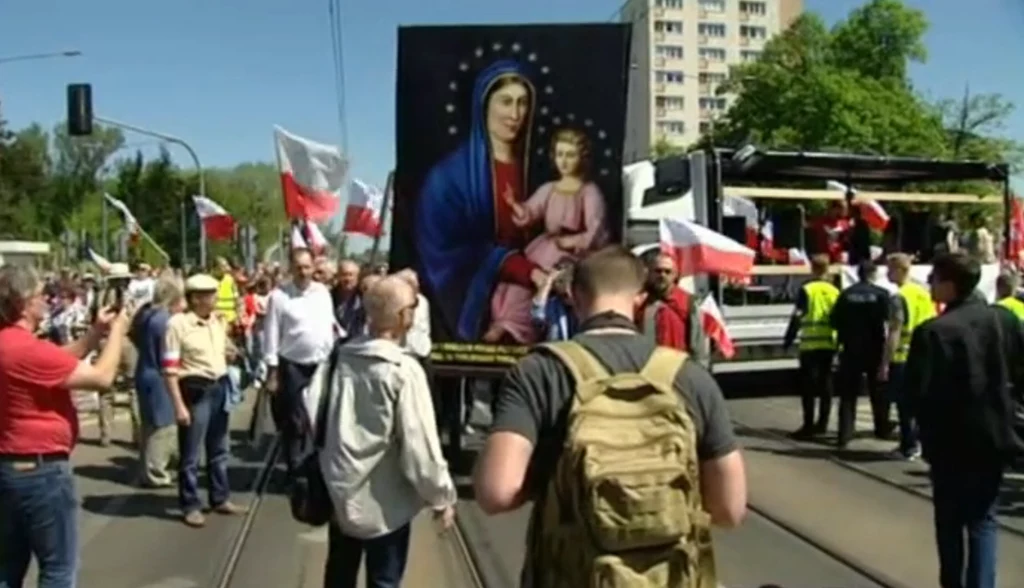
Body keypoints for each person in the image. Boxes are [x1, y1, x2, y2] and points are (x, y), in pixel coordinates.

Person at [474, 245, 745, 587]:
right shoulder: (690, 376)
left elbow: (495, 492)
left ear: (573, 295)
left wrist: (557, 480)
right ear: (639, 299)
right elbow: (730, 510)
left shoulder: (539, 371)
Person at [308, 276, 456, 588]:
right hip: (386, 505)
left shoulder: (338, 357)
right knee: (384, 581)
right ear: (404, 316)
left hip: (339, 493)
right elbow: (421, 449)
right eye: (413, 307)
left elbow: (311, 409)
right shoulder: (403, 370)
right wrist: (441, 497)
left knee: (338, 576)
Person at [0, 265, 128, 588]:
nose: (48, 299)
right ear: (25, 302)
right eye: (42, 295)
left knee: (7, 568)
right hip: (41, 472)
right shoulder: (25, 349)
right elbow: (102, 378)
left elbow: (55, 359)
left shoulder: (11, 345)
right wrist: (117, 333)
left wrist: (95, 333)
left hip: (8, 468)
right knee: (58, 569)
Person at [904, 252, 1024, 588]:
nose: (928, 284)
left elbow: (915, 394)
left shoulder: (934, 331)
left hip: (949, 443)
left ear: (950, 284)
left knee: (950, 522)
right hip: (995, 436)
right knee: (983, 519)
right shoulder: (1005, 320)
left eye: (934, 278)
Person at [414, 60, 550, 342]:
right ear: (484, 106)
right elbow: (444, 252)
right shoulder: (449, 178)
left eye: (523, 103)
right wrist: (520, 269)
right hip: (480, 307)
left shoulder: (541, 171)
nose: (515, 114)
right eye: (506, 102)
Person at [486, 128, 609, 343]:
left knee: (550, 291)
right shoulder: (550, 188)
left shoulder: (589, 192)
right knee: (514, 288)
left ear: (582, 157)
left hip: (572, 256)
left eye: (570, 155)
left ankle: (532, 332)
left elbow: (595, 231)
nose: (564, 161)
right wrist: (514, 204)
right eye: (560, 154)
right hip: (543, 248)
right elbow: (529, 213)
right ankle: (504, 328)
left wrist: (571, 241)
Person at [162, 273, 247, 527]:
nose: (214, 299)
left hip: (219, 387)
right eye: (210, 295)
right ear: (196, 298)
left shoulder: (216, 323)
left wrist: (233, 351)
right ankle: (190, 503)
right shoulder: (177, 325)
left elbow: (225, 351)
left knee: (219, 448)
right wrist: (178, 405)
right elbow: (170, 368)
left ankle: (220, 497)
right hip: (195, 390)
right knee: (190, 453)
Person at [263, 248, 338, 475]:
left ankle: (316, 464)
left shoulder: (322, 292)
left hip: (321, 365)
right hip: (293, 365)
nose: (304, 272)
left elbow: (330, 324)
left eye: (307, 267)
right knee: (295, 421)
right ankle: (294, 467)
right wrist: (272, 370)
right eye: (299, 268)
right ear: (291, 269)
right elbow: (271, 333)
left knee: (320, 416)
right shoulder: (279, 297)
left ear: (313, 267)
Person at [880, 253, 937, 460]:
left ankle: (908, 446)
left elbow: (895, 331)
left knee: (904, 405)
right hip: (925, 354)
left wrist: (885, 362)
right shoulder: (922, 293)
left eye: (890, 269)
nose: (887, 273)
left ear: (901, 270)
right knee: (921, 403)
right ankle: (919, 443)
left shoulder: (899, 297)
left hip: (903, 357)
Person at [131, 274, 185, 488]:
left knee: (149, 423)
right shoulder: (164, 321)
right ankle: (156, 472)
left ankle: (148, 467)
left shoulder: (145, 314)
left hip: (145, 369)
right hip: (159, 375)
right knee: (161, 425)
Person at [830, 261, 891, 449]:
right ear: (873, 274)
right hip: (874, 347)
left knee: (848, 394)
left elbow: (834, 320)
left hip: (850, 348)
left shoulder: (846, 294)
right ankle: (881, 428)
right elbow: (889, 321)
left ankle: (844, 434)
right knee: (878, 391)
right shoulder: (882, 295)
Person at [783, 254, 839, 439]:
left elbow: (798, 316)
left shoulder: (807, 289)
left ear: (813, 269)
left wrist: (788, 339)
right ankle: (822, 424)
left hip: (810, 345)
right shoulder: (834, 291)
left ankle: (808, 426)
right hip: (829, 344)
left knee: (808, 388)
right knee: (826, 386)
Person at [638, 252, 697, 352]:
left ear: (675, 275)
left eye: (667, 271)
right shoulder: (639, 301)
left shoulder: (688, 302)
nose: (662, 275)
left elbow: (697, 342)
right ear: (649, 273)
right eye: (658, 271)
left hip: (678, 363)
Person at [531, 260, 577, 341]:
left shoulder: (586, 303)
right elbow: (537, 316)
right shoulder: (554, 305)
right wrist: (547, 283)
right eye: (561, 281)